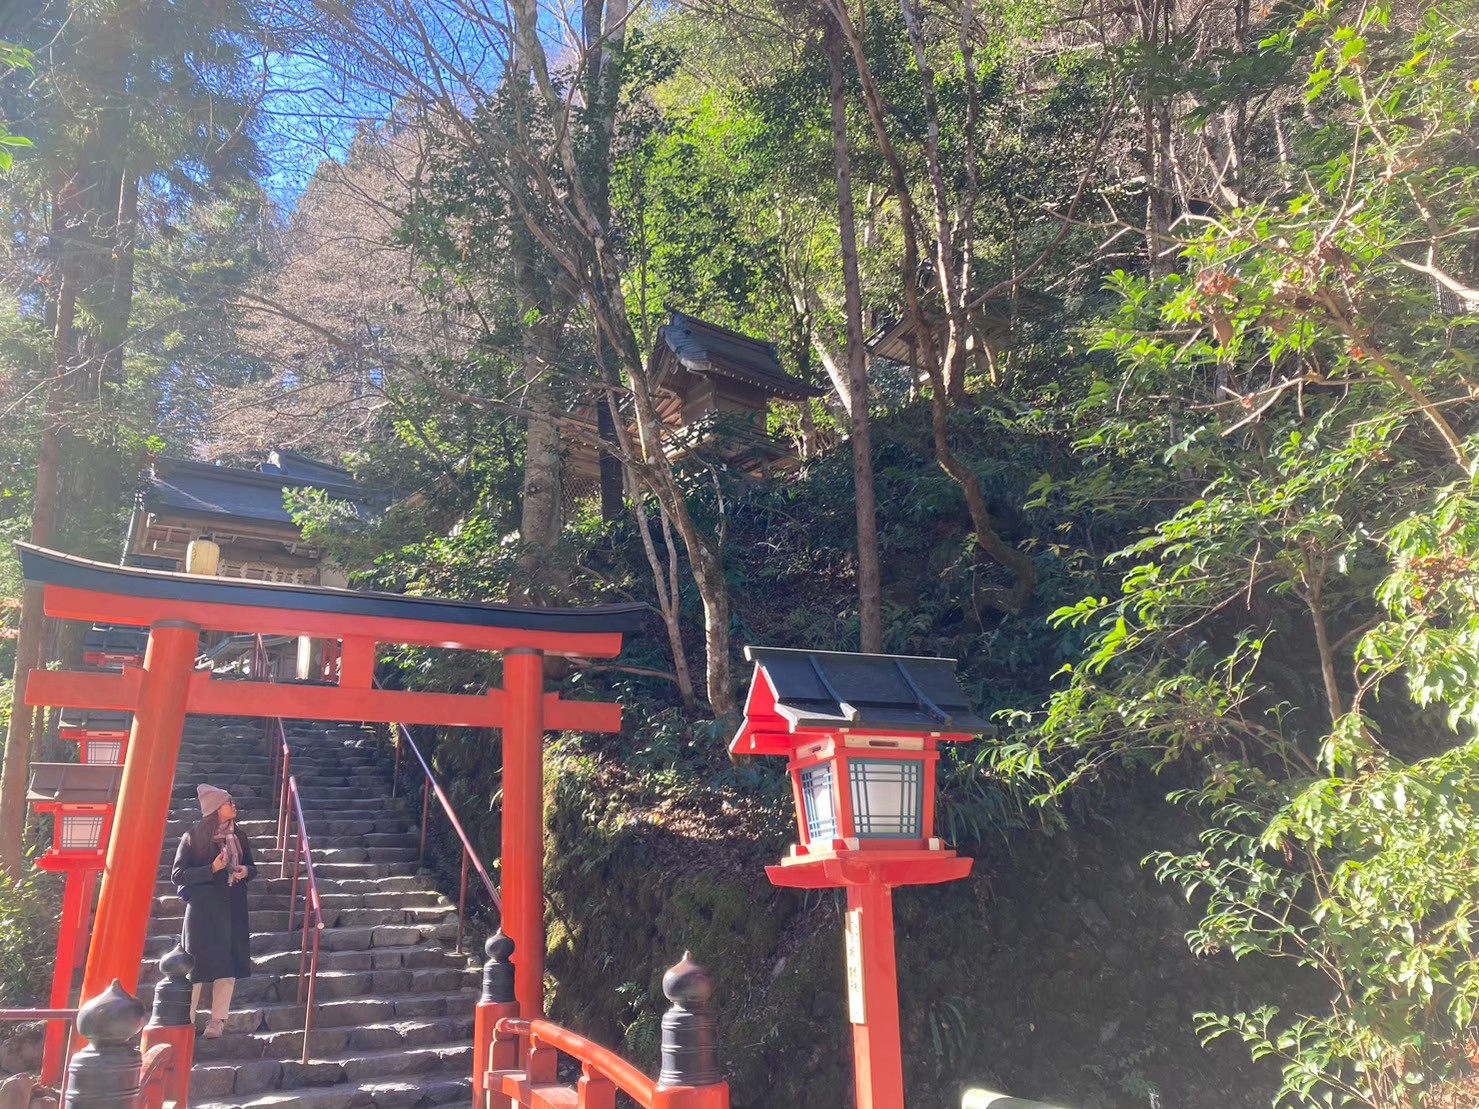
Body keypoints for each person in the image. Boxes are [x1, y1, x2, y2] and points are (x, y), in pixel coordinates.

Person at [171, 784, 255, 1038]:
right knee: (194, 968)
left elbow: (251, 866)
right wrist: (212, 869)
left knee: (227, 967)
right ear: (216, 808)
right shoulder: (193, 837)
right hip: (203, 911)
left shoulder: (239, 836)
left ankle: (217, 1020)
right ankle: (186, 1020)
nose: (234, 805)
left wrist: (246, 871)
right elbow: (178, 875)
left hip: (232, 907)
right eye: (229, 802)